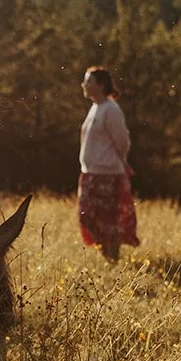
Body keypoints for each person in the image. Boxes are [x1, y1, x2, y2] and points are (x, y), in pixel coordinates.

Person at [76, 66, 137, 261]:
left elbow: (122, 141)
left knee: (107, 219)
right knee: (87, 215)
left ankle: (113, 259)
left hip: (107, 173)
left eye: (89, 81)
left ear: (101, 85)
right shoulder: (95, 108)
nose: (84, 85)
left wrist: (120, 164)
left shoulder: (111, 109)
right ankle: (107, 256)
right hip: (90, 172)